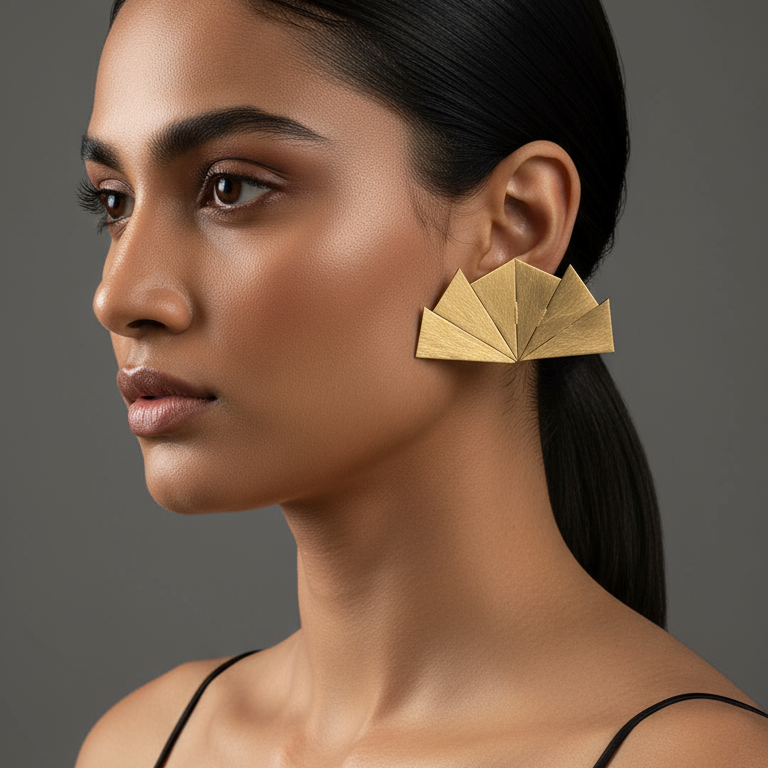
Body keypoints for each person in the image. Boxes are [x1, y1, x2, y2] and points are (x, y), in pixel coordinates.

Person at [74, 0, 768, 766]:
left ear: (516, 227)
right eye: (114, 201)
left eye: (231, 188)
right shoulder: (137, 747)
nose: (119, 295)